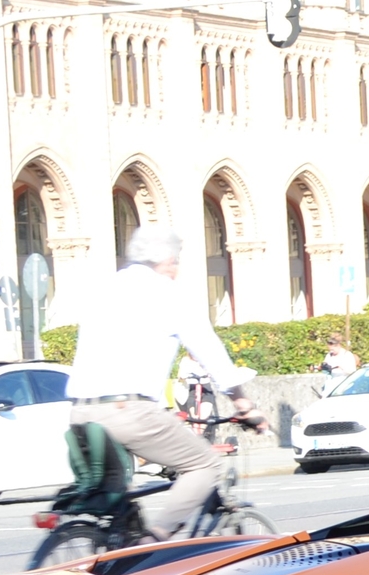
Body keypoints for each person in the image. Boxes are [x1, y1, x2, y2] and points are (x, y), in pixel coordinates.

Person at [67, 225, 268, 540]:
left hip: (80, 412)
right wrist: (244, 403)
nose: (176, 268)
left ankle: (118, 549)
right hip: (128, 411)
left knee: (117, 498)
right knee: (205, 465)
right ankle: (157, 538)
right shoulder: (167, 293)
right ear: (167, 260)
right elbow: (210, 353)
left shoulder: (103, 288)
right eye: (176, 261)